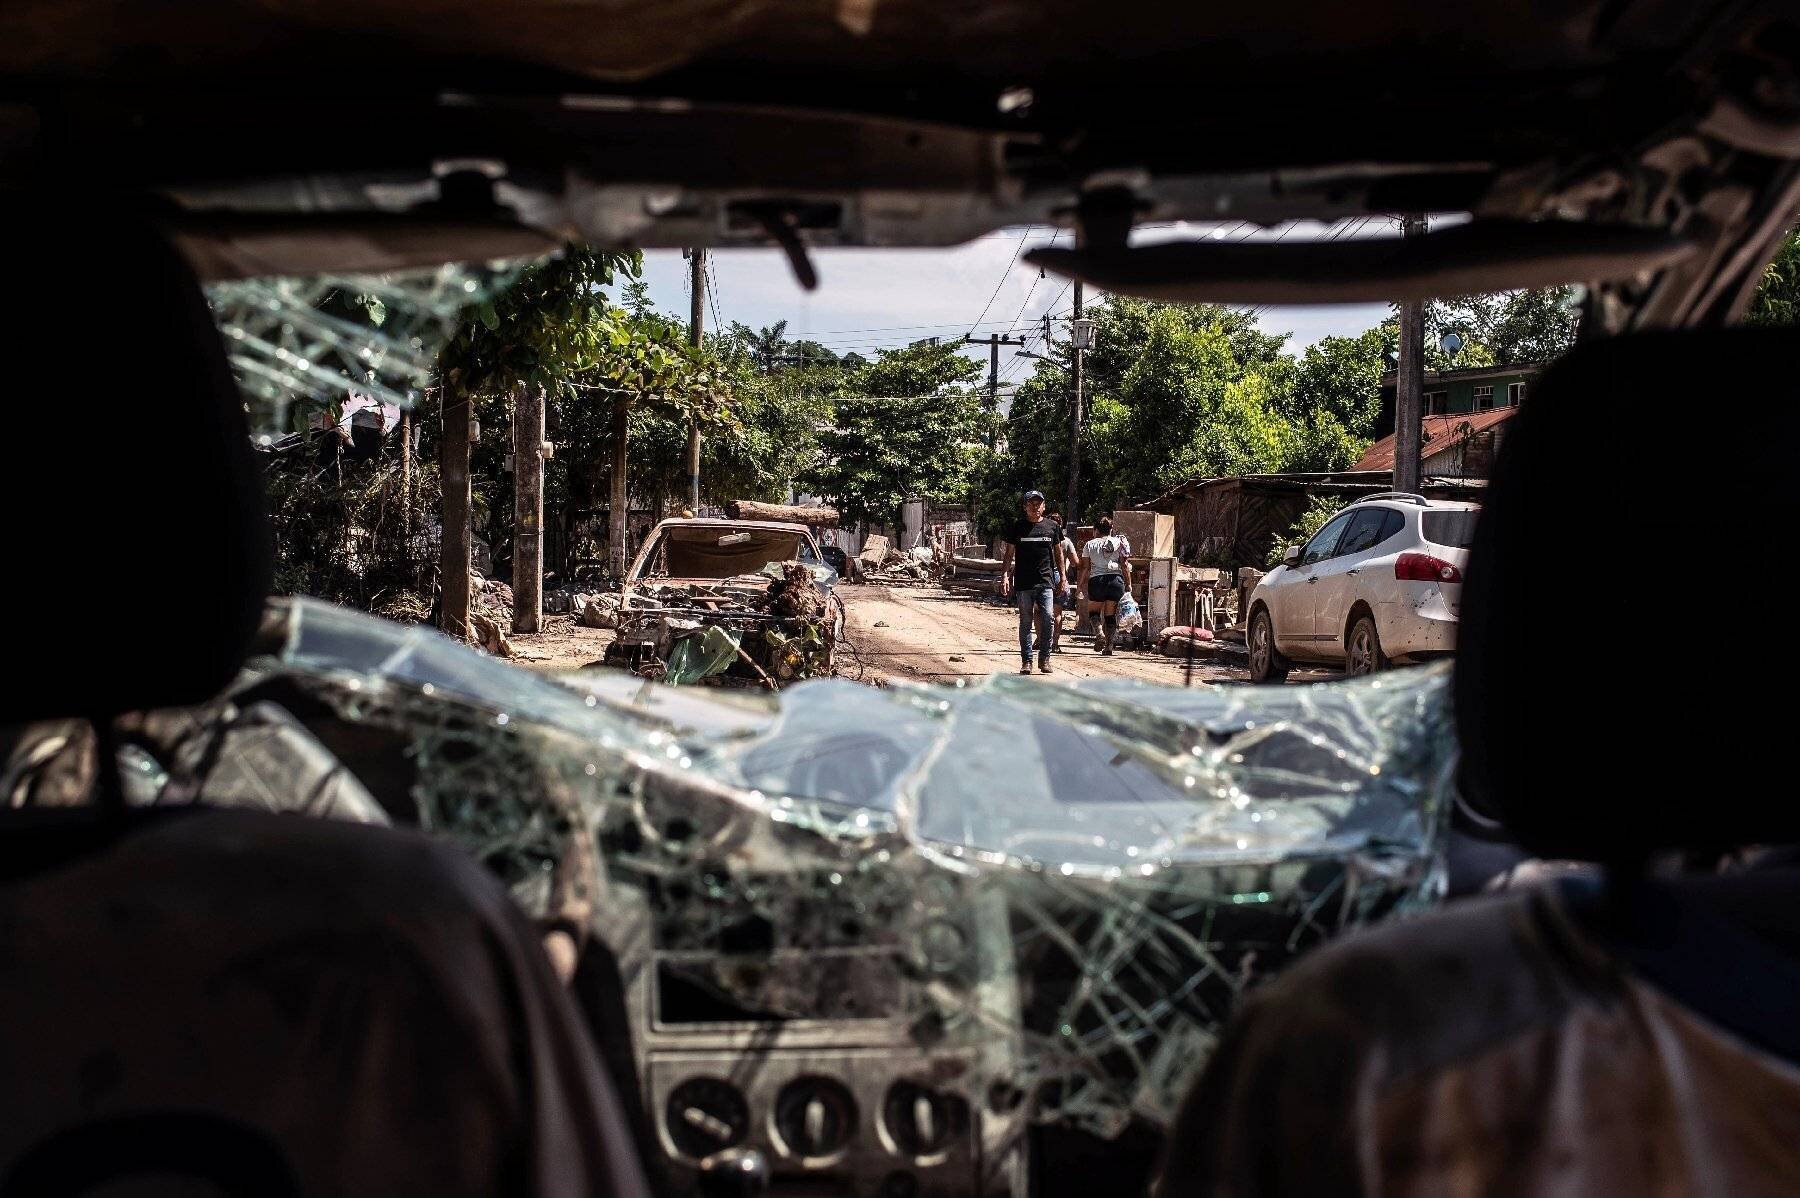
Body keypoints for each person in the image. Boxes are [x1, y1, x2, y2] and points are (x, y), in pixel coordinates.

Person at [999, 490, 1061, 674]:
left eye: (1038, 503)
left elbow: (1059, 554)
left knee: (1048, 617)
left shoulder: (1052, 527)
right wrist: (1004, 576)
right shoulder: (1018, 527)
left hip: (1046, 581)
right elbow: (1009, 554)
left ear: (1044, 506)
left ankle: (1045, 658)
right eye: (1031, 503)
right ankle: (1027, 660)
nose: (1035, 507)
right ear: (1025, 507)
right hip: (1024, 582)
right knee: (1025, 620)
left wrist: (1063, 578)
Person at [1079, 514, 1133, 655]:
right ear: (1111, 529)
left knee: (1094, 612)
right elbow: (1124, 565)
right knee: (1110, 615)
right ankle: (1109, 647)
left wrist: (1079, 585)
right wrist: (1128, 584)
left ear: (1096, 529)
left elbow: (1085, 567)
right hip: (1116, 581)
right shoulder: (1119, 542)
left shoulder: (1089, 544)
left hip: (1097, 581)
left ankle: (1099, 634)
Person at [1043, 509, 1079, 653]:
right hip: (1059, 577)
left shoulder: (1042, 538)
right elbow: (1075, 562)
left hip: (1043, 576)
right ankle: (1055, 643)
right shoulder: (1066, 542)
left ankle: (1040, 640)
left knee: (1040, 611)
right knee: (1057, 613)